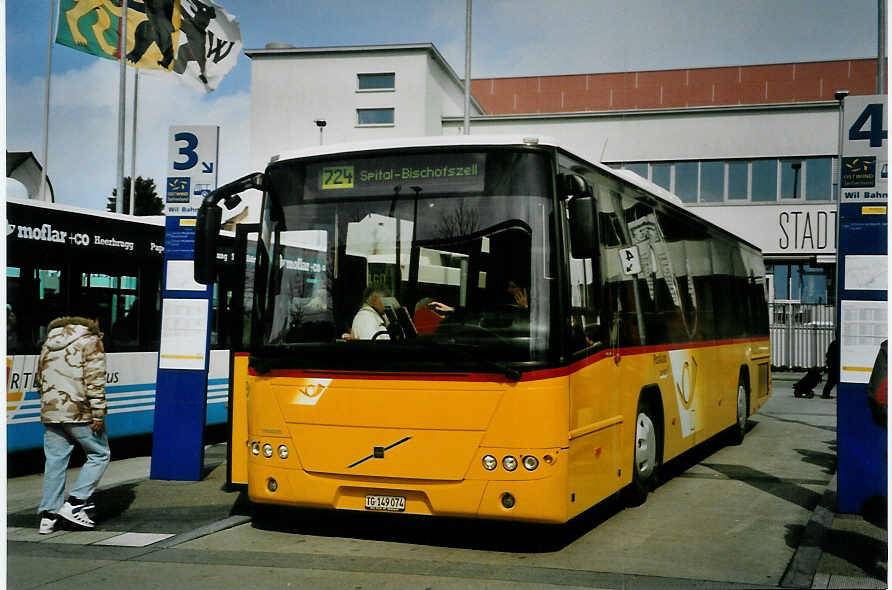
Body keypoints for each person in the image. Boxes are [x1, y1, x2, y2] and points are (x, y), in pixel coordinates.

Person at [36, 316, 110, 533]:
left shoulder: (49, 341)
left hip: (51, 410)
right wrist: (98, 413)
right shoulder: (90, 340)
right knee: (99, 455)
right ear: (92, 321)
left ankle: (48, 516)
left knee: (55, 461)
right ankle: (75, 504)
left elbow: (40, 379)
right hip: (79, 412)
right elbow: (95, 379)